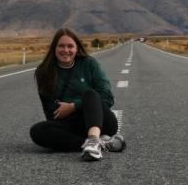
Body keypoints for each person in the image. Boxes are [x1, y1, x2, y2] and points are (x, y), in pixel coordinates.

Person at [29, 28, 126, 161]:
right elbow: (50, 112)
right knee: (37, 131)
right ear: (54, 48)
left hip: (102, 123)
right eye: (61, 46)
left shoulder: (88, 63)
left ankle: (93, 138)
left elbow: (107, 97)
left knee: (90, 94)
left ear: (77, 48)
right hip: (71, 125)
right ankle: (98, 144)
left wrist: (74, 106)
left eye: (70, 46)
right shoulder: (44, 72)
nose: (66, 50)